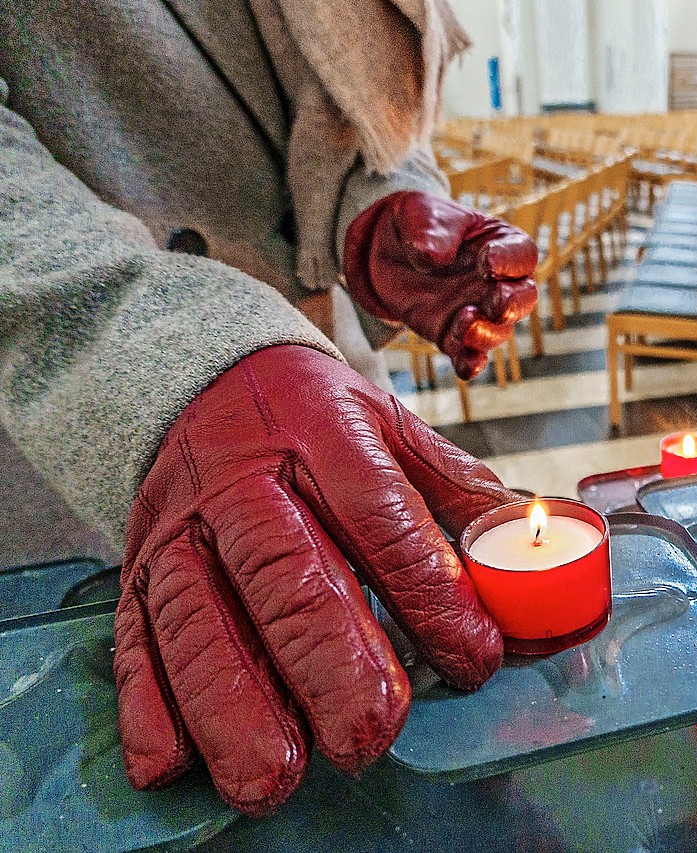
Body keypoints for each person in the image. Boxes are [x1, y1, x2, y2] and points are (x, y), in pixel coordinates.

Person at [0, 0, 537, 816]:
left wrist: (375, 211)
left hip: (311, 395)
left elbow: (346, 102)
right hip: (105, 410)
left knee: (409, 762)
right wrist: (175, 351)